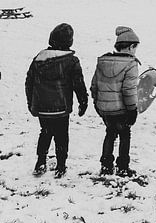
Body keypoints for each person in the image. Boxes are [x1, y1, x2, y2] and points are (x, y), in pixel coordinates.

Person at [25, 23, 88, 178]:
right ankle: (61, 165)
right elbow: (78, 84)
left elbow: (29, 82)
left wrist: (31, 103)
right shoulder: (71, 61)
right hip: (61, 108)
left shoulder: (38, 59)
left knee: (45, 132)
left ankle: (40, 161)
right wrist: (83, 101)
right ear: (69, 42)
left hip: (42, 107)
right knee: (62, 135)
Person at [91, 26, 140, 177]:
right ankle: (123, 167)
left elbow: (94, 86)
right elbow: (128, 90)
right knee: (125, 135)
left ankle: (106, 166)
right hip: (122, 110)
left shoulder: (103, 61)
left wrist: (97, 105)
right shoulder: (131, 64)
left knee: (110, 134)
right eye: (135, 47)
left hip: (105, 109)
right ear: (131, 46)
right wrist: (133, 110)